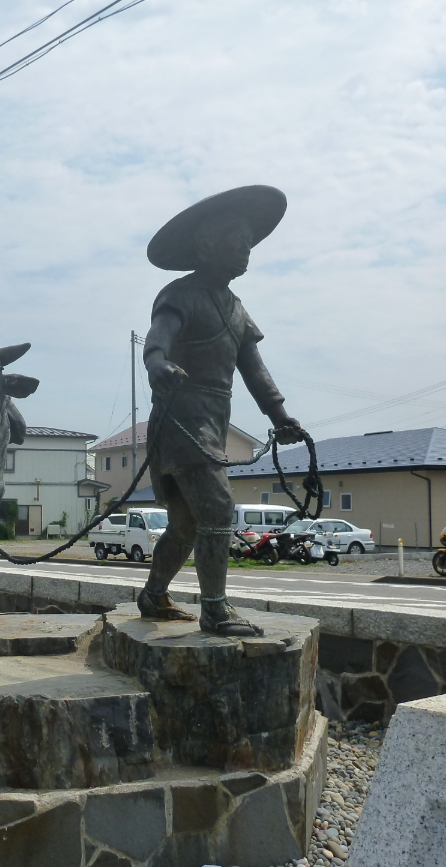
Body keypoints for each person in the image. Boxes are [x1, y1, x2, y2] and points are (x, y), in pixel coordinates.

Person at [137, 185, 304, 636]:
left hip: (212, 419)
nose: (246, 252)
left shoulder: (237, 309)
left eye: (250, 243)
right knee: (216, 506)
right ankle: (214, 608)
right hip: (178, 419)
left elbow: (253, 368)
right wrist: (159, 365)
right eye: (237, 241)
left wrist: (279, 414)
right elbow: (156, 341)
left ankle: (152, 595)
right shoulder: (180, 294)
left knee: (187, 523)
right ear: (208, 244)